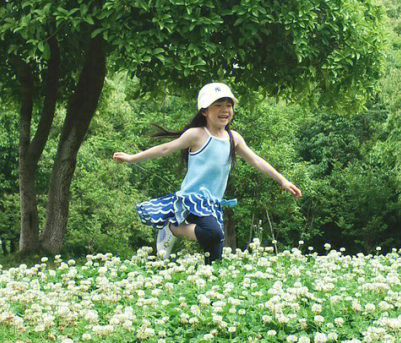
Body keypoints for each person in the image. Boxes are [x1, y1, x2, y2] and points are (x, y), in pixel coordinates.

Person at [112, 82, 302, 263]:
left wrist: (283, 180)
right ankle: (172, 228)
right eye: (218, 105)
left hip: (213, 203)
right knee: (214, 233)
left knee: (215, 253)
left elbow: (256, 161)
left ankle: (210, 281)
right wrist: (132, 158)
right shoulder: (196, 134)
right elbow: (165, 149)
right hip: (191, 200)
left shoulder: (233, 138)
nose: (225, 110)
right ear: (204, 111)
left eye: (229, 105)